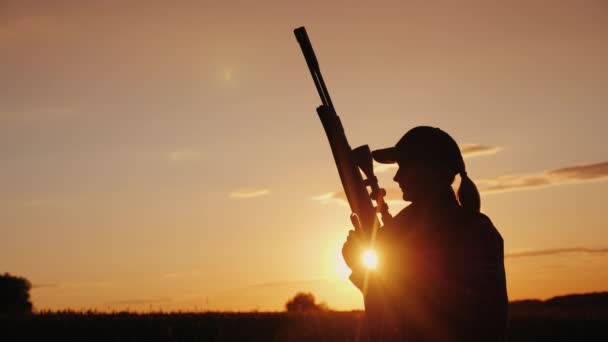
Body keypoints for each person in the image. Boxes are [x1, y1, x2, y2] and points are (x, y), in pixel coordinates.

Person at [342, 126, 508, 341]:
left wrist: (363, 268)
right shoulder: (478, 227)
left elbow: (422, 307)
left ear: (432, 170)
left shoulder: (469, 231)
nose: (397, 177)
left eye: (405, 167)